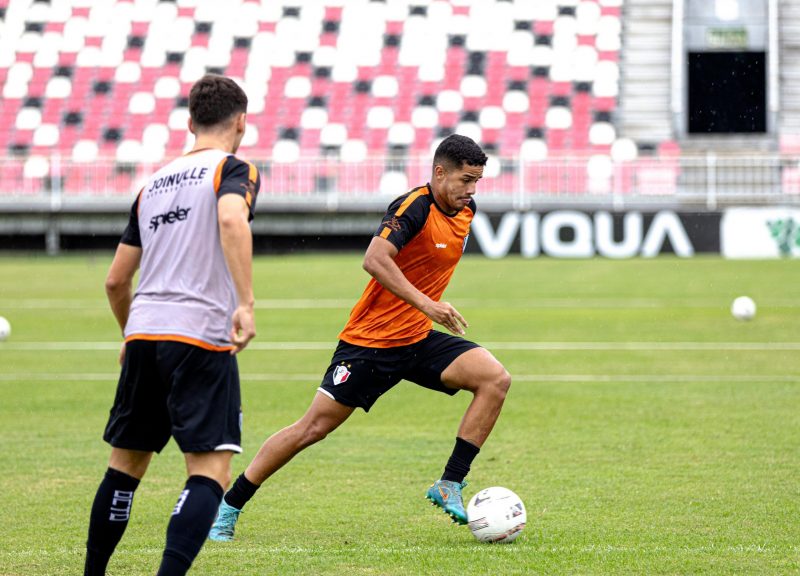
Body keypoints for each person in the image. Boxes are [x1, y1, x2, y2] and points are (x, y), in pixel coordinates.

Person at [209, 134, 511, 542]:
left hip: (417, 338)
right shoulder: (414, 207)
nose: (471, 190)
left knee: (494, 379)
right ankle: (229, 507)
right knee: (311, 429)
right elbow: (374, 259)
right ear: (439, 173)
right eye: (465, 179)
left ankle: (450, 483)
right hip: (371, 343)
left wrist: (425, 308)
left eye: (477, 181)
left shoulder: (466, 210)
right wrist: (428, 304)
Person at [83, 74, 260, 576]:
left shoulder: (153, 184)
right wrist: (245, 303)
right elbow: (231, 220)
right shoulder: (233, 168)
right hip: (200, 333)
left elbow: (117, 281)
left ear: (189, 123)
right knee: (210, 471)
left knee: (125, 467)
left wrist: (129, 334)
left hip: (143, 335)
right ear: (241, 122)